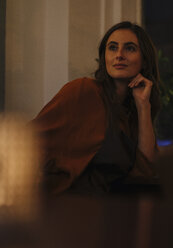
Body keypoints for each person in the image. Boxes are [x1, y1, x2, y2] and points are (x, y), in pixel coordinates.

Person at [32, 21, 161, 195]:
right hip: (72, 207)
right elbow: (27, 141)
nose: (119, 55)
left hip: (115, 210)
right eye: (112, 48)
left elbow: (146, 171)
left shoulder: (133, 111)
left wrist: (143, 106)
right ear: (104, 57)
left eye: (130, 48)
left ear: (144, 61)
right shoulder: (84, 90)